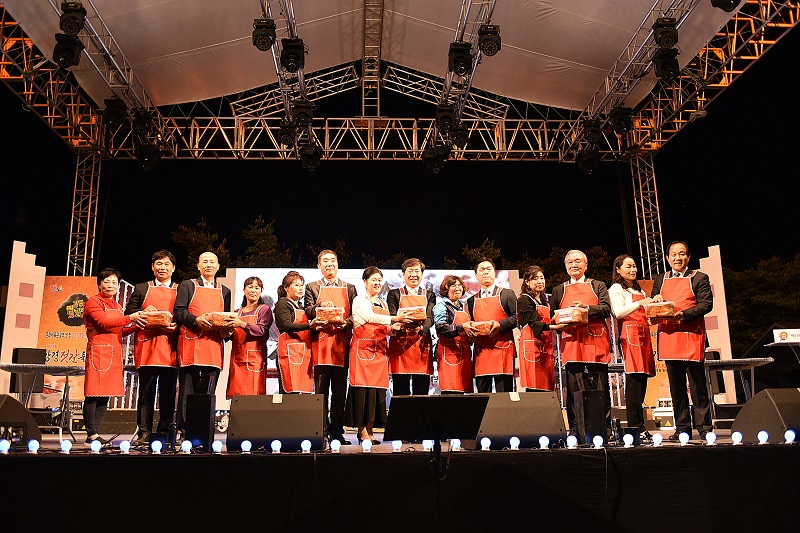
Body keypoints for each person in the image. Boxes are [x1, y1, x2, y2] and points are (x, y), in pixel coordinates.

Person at [650, 241, 714, 441]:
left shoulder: (699, 278)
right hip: (669, 337)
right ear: (668, 258)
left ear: (688, 257)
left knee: (697, 386)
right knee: (676, 388)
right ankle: (682, 428)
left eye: (682, 254)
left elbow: (706, 304)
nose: (677, 258)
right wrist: (656, 300)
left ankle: (704, 427)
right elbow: (653, 302)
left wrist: (683, 315)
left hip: (691, 336)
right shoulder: (661, 279)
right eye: (674, 255)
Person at [549, 249, 612, 442]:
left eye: (578, 261)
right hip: (572, 342)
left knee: (600, 387)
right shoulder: (559, 289)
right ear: (565, 266)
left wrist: (587, 309)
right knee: (573, 388)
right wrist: (561, 323)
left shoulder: (598, 285)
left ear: (585, 265)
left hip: (595, 341)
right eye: (570, 262)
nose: (574, 265)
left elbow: (606, 309)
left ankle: (604, 428)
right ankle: (575, 429)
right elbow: (554, 317)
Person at [345, 266, 412, 444]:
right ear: (365, 282)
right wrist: (394, 319)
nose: (377, 283)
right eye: (373, 280)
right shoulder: (360, 300)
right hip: (363, 352)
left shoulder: (382, 303)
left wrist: (395, 329)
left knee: (376, 393)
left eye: (379, 280)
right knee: (362, 393)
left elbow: (384, 327)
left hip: (380, 352)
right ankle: (362, 432)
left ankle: (370, 430)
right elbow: (369, 317)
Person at [173, 251, 232, 442]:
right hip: (191, 343)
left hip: (213, 346)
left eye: (212, 262)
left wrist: (227, 331)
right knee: (187, 392)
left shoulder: (225, 291)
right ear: (198, 266)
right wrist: (196, 320)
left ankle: (204, 431)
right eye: (204, 262)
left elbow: (225, 318)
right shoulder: (188, 285)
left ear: (217, 266)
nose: (208, 265)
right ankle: (183, 430)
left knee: (208, 392)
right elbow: (179, 312)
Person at [125, 249, 180, 446]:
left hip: (170, 347)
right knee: (145, 394)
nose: (162, 267)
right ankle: (144, 432)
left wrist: (177, 325)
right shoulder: (141, 288)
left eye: (166, 264)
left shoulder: (180, 289)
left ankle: (164, 430)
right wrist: (142, 311)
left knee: (168, 394)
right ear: (152, 267)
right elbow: (128, 312)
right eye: (159, 264)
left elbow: (184, 314)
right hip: (147, 347)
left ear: (173, 268)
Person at [83, 268, 143, 446]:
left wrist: (137, 326)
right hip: (98, 352)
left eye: (114, 283)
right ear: (99, 284)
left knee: (105, 395)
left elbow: (120, 330)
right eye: (107, 282)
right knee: (93, 394)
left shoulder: (116, 306)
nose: (110, 285)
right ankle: (91, 434)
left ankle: (94, 436)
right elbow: (103, 323)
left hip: (113, 353)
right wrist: (130, 317)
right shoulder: (93, 302)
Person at [304, 250, 358, 445]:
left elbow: (355, 314)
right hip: (320, 345)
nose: (329, 264)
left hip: (340, 345)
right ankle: (320, 430)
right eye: (325, 261)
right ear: (319, 266)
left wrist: (346, 323)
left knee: (339, 392)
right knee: (321, 393)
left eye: (333, 261)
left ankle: (337, 431)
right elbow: (308, 310)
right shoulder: (312, 287)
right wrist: (321, 306)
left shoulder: (349, 288)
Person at [609, 254, 656, 442]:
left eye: (634, 266)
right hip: (630, 337)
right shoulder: (616, 289)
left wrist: (655, 305)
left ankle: (640, 425)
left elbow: (646, 314)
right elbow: (618, 312)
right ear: (618, 270)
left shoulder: (638, 290)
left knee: (642, 380)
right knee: (634, 381)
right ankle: (635, 426)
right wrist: (640, 303)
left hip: (643, 335)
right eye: (628, 266)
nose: (633, 269)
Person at [463, 257, 518, 393]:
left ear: (494, 273)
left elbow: (518, 318)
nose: (486, 272)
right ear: (476, 275)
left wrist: (500, 325)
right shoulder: (471, 301)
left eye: (489, 269)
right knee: (483, 395)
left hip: (503, 349)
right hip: (482, 351)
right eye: (482, 270)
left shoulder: (506, 294)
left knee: (504, 395)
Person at [387, 258, 436, 397]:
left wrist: (421, 329)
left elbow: (430, 317)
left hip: (421, 345)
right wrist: (402, 325)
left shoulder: (429, 295)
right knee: (400, 391)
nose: (413, 274)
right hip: (400, 345)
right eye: (410, 271)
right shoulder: (394, 294)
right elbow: (392, 315)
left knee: (421, 391)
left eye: (417, 271)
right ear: (403, 274)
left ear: (422, 274)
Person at [275, 271, 326, 394]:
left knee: (302, 393)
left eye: (302, 285)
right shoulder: (283, 304)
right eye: (297, 285)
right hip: (288, 353)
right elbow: (286, 325)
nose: (301, 288)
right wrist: (310, 325)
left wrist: (317, 327)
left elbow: (305, 330)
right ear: (287, 288)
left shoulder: (300, 307)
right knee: (289, 392)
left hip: (302, 354)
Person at [225, 276, 274, 398]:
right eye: (250, 287)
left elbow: (262, 330)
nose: (253, 290)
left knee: (253, 398)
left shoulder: (264, 310)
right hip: (237, 360)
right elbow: (231, 336)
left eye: (257, 287)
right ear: (244, 290)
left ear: (261, 291)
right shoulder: (237, 312)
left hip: (255, 360)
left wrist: (241, 324)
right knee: (237, 397)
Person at [517, 265, 556, 392]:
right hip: (532, 346)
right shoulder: (524, 300)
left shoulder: (545, 302)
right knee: (534, 384)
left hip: (546, 345)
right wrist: (552, 326)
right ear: (527, 282)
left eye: (542, 278)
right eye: (535, 278)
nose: (540, 281)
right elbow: (533, 323)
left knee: (547, 384)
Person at [433, 275, 473, 394]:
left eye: (459, 285)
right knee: (451, 394)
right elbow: (441, 328)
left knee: (464, 393)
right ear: (446, 289)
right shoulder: (441, 306)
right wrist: (462, 327)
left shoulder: (465, 307)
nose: (457, 288)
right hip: (448, 354)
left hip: (464, 354)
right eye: (452, 285)